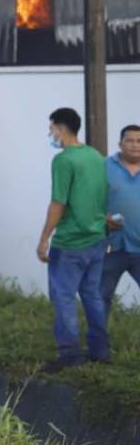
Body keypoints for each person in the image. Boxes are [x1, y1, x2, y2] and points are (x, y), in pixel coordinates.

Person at [37, 107, 109, 371]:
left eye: (51, 128)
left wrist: (44, 238)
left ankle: (70, 355)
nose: (50, 133)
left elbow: (58, 203)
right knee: (92, 295)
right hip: (96, 238)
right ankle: (101, 351)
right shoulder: (95, 156)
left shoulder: (64, 160)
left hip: (70, 243)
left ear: (62, 129)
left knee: (63, 297)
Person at [101, 125, 140, 321]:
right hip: (111, 247)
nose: (135, 145)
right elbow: (89, 199)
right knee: (101, 298)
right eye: (130, 140)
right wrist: (103, 218)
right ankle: (97, 347)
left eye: (139, 141)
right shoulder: (104, 166)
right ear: (120, 143)